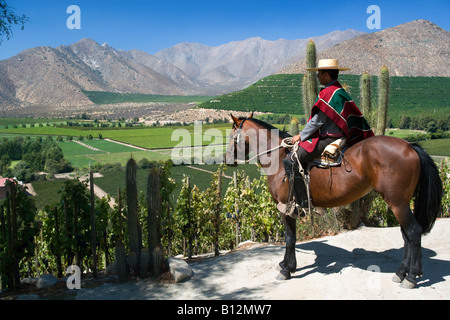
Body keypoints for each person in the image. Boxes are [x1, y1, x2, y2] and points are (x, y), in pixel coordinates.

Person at [284, 59, 374, 208]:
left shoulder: (328, 93)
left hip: (329, 138)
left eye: (320, 72)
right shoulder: (339, 91)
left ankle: (302, 203)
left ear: (326, 74)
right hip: (340, 135)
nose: (318, 76)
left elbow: (317, 121)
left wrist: (300, 136)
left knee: (291, 159)